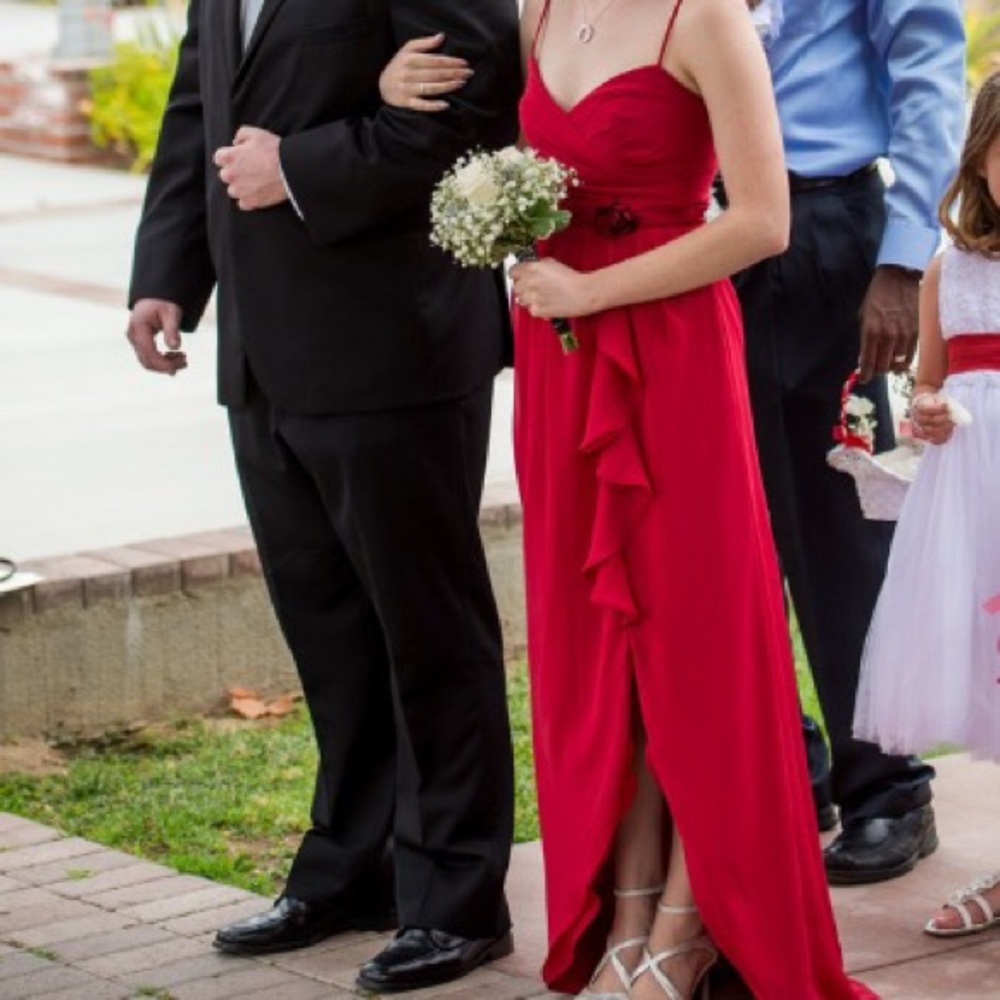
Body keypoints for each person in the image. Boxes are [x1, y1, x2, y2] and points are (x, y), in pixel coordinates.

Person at [380, 0, 874, 996]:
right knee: (605, 640)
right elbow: (487, 143)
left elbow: (761, 220)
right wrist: (389, 87)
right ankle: (634, 901)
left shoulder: (706, 18)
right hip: (561, 365)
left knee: (695, 637)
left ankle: (696, 919)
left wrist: (595, 292)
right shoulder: (539, 12)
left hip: (671, 353)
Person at [125, 0, 523, 993]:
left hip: (393, 335)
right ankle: (355, 869)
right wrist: (167, 274)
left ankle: (458, 898)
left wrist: (299, 167)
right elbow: (198, 105)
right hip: (263, 345)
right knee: (329, 630)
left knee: (428, 630)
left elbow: (473, 101)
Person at [729, 0, 966, 884]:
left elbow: (929, 79)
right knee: (723, 521)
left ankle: (887, 790)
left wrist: (902, 260)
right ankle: (795, 768)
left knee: (836, 528)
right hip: (695, 239)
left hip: (821, 234)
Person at [853, 69, 1000, 937]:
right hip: (977, 502)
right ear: (979, 157)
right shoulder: (954, 269)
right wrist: (931, 413)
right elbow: (932, 390)